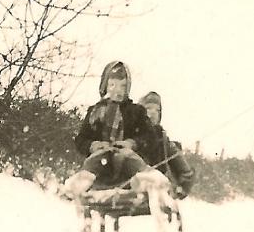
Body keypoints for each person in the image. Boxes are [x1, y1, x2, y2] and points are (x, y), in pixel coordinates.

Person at [65, 61, 169, 197]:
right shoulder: (95, 112)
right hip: (103, 163)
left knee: (128, 156)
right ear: (105, 86)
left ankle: (147, 179)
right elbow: (81, 139)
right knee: (97, 158)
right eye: (113, 85)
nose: (118, 90)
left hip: (126, 163)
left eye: (123, 86)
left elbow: (150, 138)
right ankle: (81, 181)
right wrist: (93, 145)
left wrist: (132, 143)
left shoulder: (136, 111)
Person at [137, 91, 195, 198]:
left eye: (157, 110)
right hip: (132, 187)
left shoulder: (163, 140)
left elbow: (185, 171)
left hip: (158, 190)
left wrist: (181, 187)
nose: (153, 113)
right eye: (148, 108)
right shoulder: (132, 135)